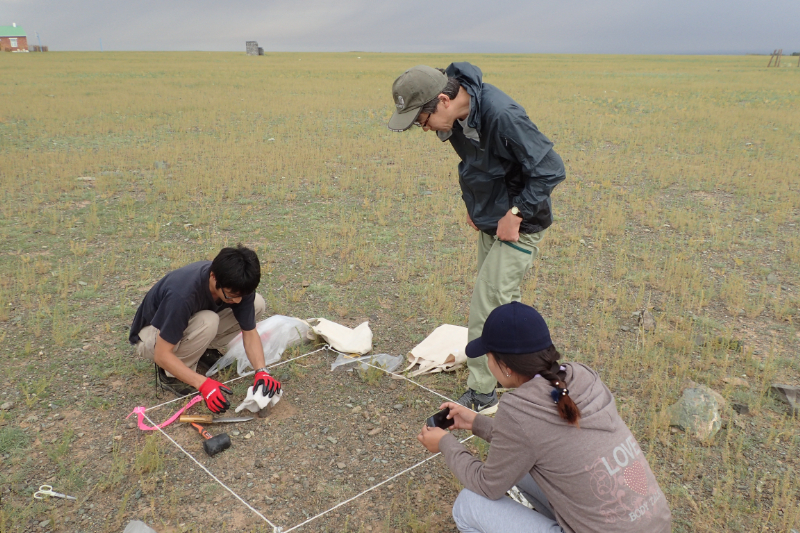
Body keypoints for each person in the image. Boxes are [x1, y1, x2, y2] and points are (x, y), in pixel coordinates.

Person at [388, 63, 566, 413]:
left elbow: (551, 168)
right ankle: (517, 372)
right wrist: (474, 206)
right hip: (491, 220)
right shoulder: (456, 118)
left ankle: (482, 392)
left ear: (442, 100)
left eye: (422, 121)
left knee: (486, 306)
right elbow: (474, 164)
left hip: (519, 224)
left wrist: (516, 214)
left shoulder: (502, 115)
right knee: (504, 304)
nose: (425, 129)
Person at [416, 302, 671, 533]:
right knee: (520, 467)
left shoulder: (518, 409)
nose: (488, 362)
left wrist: (445, 444)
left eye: (488, 356)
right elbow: (532, 441)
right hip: (656, 523)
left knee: (468, 505)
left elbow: (487, 485)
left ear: (505, 366)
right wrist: (476, 423)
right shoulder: (583, 376)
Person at [129, 245, 281, 413]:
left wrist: (261, 371)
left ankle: (201, 350)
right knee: (208, 321)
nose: (238, 301)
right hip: (151, 336)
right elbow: (161, 354)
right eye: (231, 295)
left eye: (240, 296)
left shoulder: (236, 283)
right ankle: (170, 375)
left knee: (256, 303)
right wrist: (202, 383)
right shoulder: (182, 295)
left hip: (188, 323)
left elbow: (249, 332)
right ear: (213, 277)